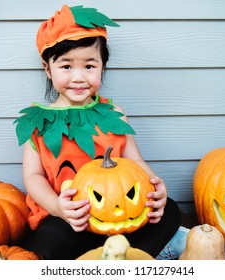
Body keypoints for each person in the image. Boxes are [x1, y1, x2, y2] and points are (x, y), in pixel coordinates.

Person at [15, 4, 188, 260]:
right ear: (47, 68)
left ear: (102, 66)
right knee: (51, 239)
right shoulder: (38, 122)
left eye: (89, 66)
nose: (78, 77)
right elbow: (33, 176)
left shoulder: (113, 113)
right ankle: (125, 255)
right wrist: (58, 207)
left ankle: (123, 256)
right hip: (74, 218)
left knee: (170, 210)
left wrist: (156, 187)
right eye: (66, 66)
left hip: (120, 211)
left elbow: (135, 161)